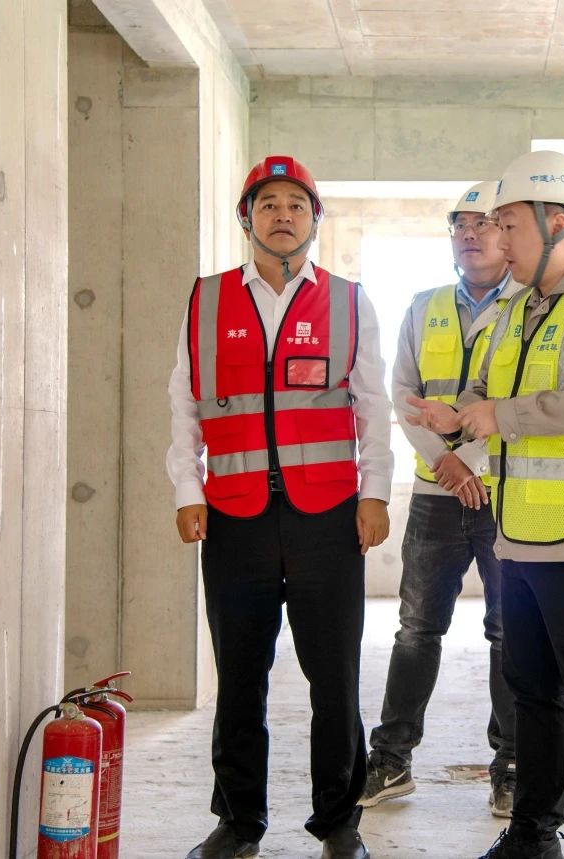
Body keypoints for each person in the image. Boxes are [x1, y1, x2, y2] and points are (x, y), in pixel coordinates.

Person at [407, 150, 564, 859]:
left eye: (509, 224)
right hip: (519, 531)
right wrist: (454, 416)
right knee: (532, 689)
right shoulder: (519, 307)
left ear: (557, 222)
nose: (497, 239)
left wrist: (498, 416)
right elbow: (489, 395)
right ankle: (532, 833)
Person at [167, 154, 392, 859]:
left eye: (297, 204)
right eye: (268, 204)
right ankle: (239, 821)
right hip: (234, 518)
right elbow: (183, 403)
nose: (283, 215)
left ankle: (339, 822)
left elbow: (372, 404)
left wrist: (375, 491)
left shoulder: (349, 302)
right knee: (239, 678)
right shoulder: (206, 300)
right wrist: (187, 489)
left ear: (315, 220)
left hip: (328, 517)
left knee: (336, 677)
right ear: (247, 219)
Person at [361, 181, 523, 817]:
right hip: (435, 495)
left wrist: (471, 462)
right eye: (461, 224)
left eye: (485, 223)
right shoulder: (422, 306)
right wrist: (445, 463)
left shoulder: (528, 307)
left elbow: (527, 401)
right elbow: (402, 392)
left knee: (509, 632)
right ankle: (392, 759)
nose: (471, 234)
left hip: (505, 495)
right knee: (416, 630)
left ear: (506, 234)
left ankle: (511, 765)